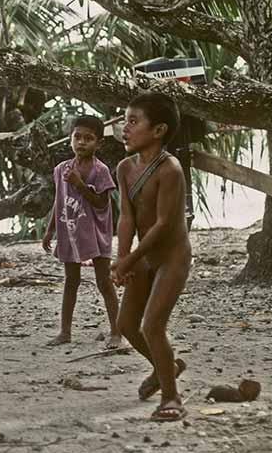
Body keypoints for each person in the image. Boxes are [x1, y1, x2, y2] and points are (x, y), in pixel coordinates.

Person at [111, 92, 191, 422]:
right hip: (143, 257)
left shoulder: (169, 170)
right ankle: (166, 367)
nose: (124, 128)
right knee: (127, 324)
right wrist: (123, 257)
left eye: (133, 122)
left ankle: (172, 397)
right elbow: (127, 217)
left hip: (172, 257)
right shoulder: (125, 167)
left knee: (152, 326)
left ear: (158, 131)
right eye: (124, 120)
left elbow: (163, 224)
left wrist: (129, 260)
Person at [41, 115, 121, 348]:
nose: (82, 143)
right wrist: (49, 231)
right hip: (70, 231)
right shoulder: (61, 169)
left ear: (99, 143)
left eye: (89, 138)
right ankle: (65, 332)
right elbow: (59, 201)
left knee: (104, 281)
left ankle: (116, 332)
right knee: (71, 281)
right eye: (77, 137)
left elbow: (101, 203)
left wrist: (79, 185)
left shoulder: (101, 170)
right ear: (70, 139)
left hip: (96, 232)